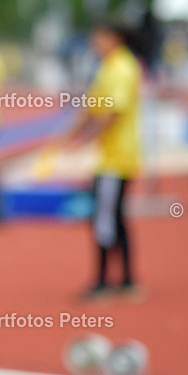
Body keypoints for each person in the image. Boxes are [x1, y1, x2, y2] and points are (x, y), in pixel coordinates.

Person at [62, 21, 142, 300]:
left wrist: (82, 140)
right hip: (109, 156)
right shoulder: (108, 66)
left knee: (104, 219)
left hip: (116, 158)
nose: (95, 42)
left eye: (99, 37)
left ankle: (105, 281)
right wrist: (70, 135)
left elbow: (112, 113)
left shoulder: (121, 68)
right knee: (115, 218)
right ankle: (128, 281)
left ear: (114, 37)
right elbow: (91, 107)